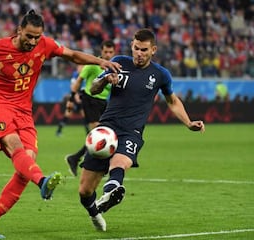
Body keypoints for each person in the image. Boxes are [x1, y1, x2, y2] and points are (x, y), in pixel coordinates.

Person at [0, 10, 120, 239]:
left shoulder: (45, 45)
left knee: (26, 167)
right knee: (16, 148)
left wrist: (100, 61)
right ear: (19, 30)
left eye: (37, 37)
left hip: (24, 110)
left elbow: (72, 55)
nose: (33, 41)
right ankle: (42, 181)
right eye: (29, 36)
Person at [78, 28, 205, 232]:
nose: (139, 53)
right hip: (106, 128)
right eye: (136, 48)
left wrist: (189, 122)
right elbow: (92, 88)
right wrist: (104, 80)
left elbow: (172, 101)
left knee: (120, 162)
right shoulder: (119, 62)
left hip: (132, 131)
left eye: (144, 50)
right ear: (132, 46)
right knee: (84, 190)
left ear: (153, 50)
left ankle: (111, 190)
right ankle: (95, 211)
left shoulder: (161, 74)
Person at [65, 40, 116, 176]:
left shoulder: (115, 68)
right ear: (101, 51)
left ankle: (74, 158)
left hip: (103, 103)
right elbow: (78, 81)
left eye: (110, 52)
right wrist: (71, 99)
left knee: (101, 135)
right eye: (105, 51)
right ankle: (94, 166)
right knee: (98, 135)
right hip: (89, 100)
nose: (108, 54)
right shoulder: (93, 66)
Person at [55, 64, 88, 137]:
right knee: (68, 114)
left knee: (84, 115)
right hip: (74, 98)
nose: (81, 68)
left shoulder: (85, 74)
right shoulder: (75, 74)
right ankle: (59, 131)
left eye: (83, 67)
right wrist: (76, 97)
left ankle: (88, 133)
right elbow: (73, 86)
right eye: (80, 67)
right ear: (77, 67)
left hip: (80, 97)